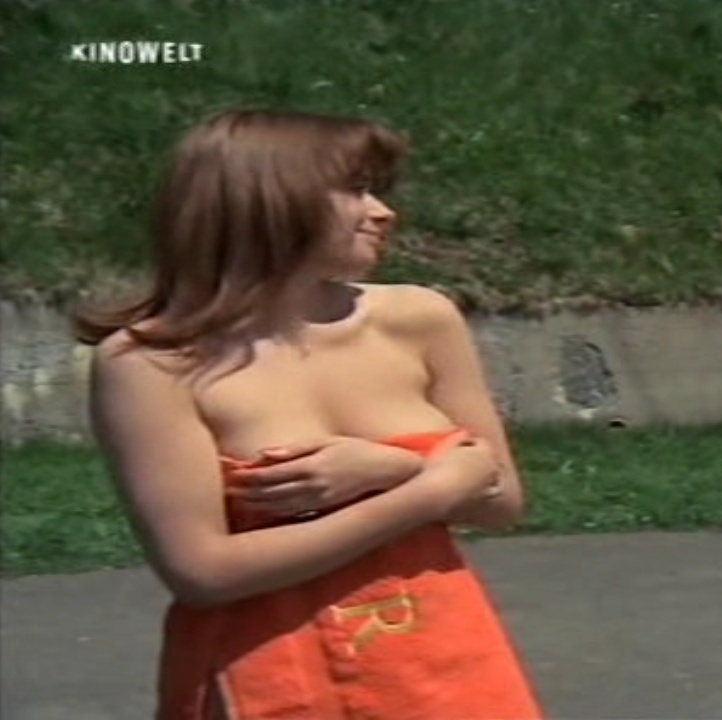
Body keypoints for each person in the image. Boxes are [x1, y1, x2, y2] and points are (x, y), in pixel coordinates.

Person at [74, 108, 544, 720]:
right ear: (267, 200)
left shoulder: (420, 318)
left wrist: (393, 468)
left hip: (443, 667)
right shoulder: (150, 363)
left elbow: (500, 502)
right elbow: (203, 572)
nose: (383, 211)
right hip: (272, 680)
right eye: (355, 190)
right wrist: (426, 493)